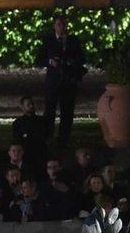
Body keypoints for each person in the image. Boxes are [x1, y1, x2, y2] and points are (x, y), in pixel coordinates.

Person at [36, 14, 87, 147]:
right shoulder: (49, 40)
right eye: (59, 24)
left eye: (63, 24)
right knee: (50, 109)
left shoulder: (73, 40)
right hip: (53, 79)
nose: (62, 27)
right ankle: (48, 136)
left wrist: (72, 62)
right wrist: (50, 61)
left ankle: (64, 138)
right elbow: (39, 59)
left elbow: (82, 58)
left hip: (68, 79)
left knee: (67, 110)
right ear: (54, 26)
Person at [11, 96, 50, 166]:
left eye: (32, 104)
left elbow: (47, 136)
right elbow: (17, 139)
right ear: (22, 107)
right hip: (26, 152)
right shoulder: (18, 123)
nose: (31, 106)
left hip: (41, 152)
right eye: (28, 105)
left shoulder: (42, 121)